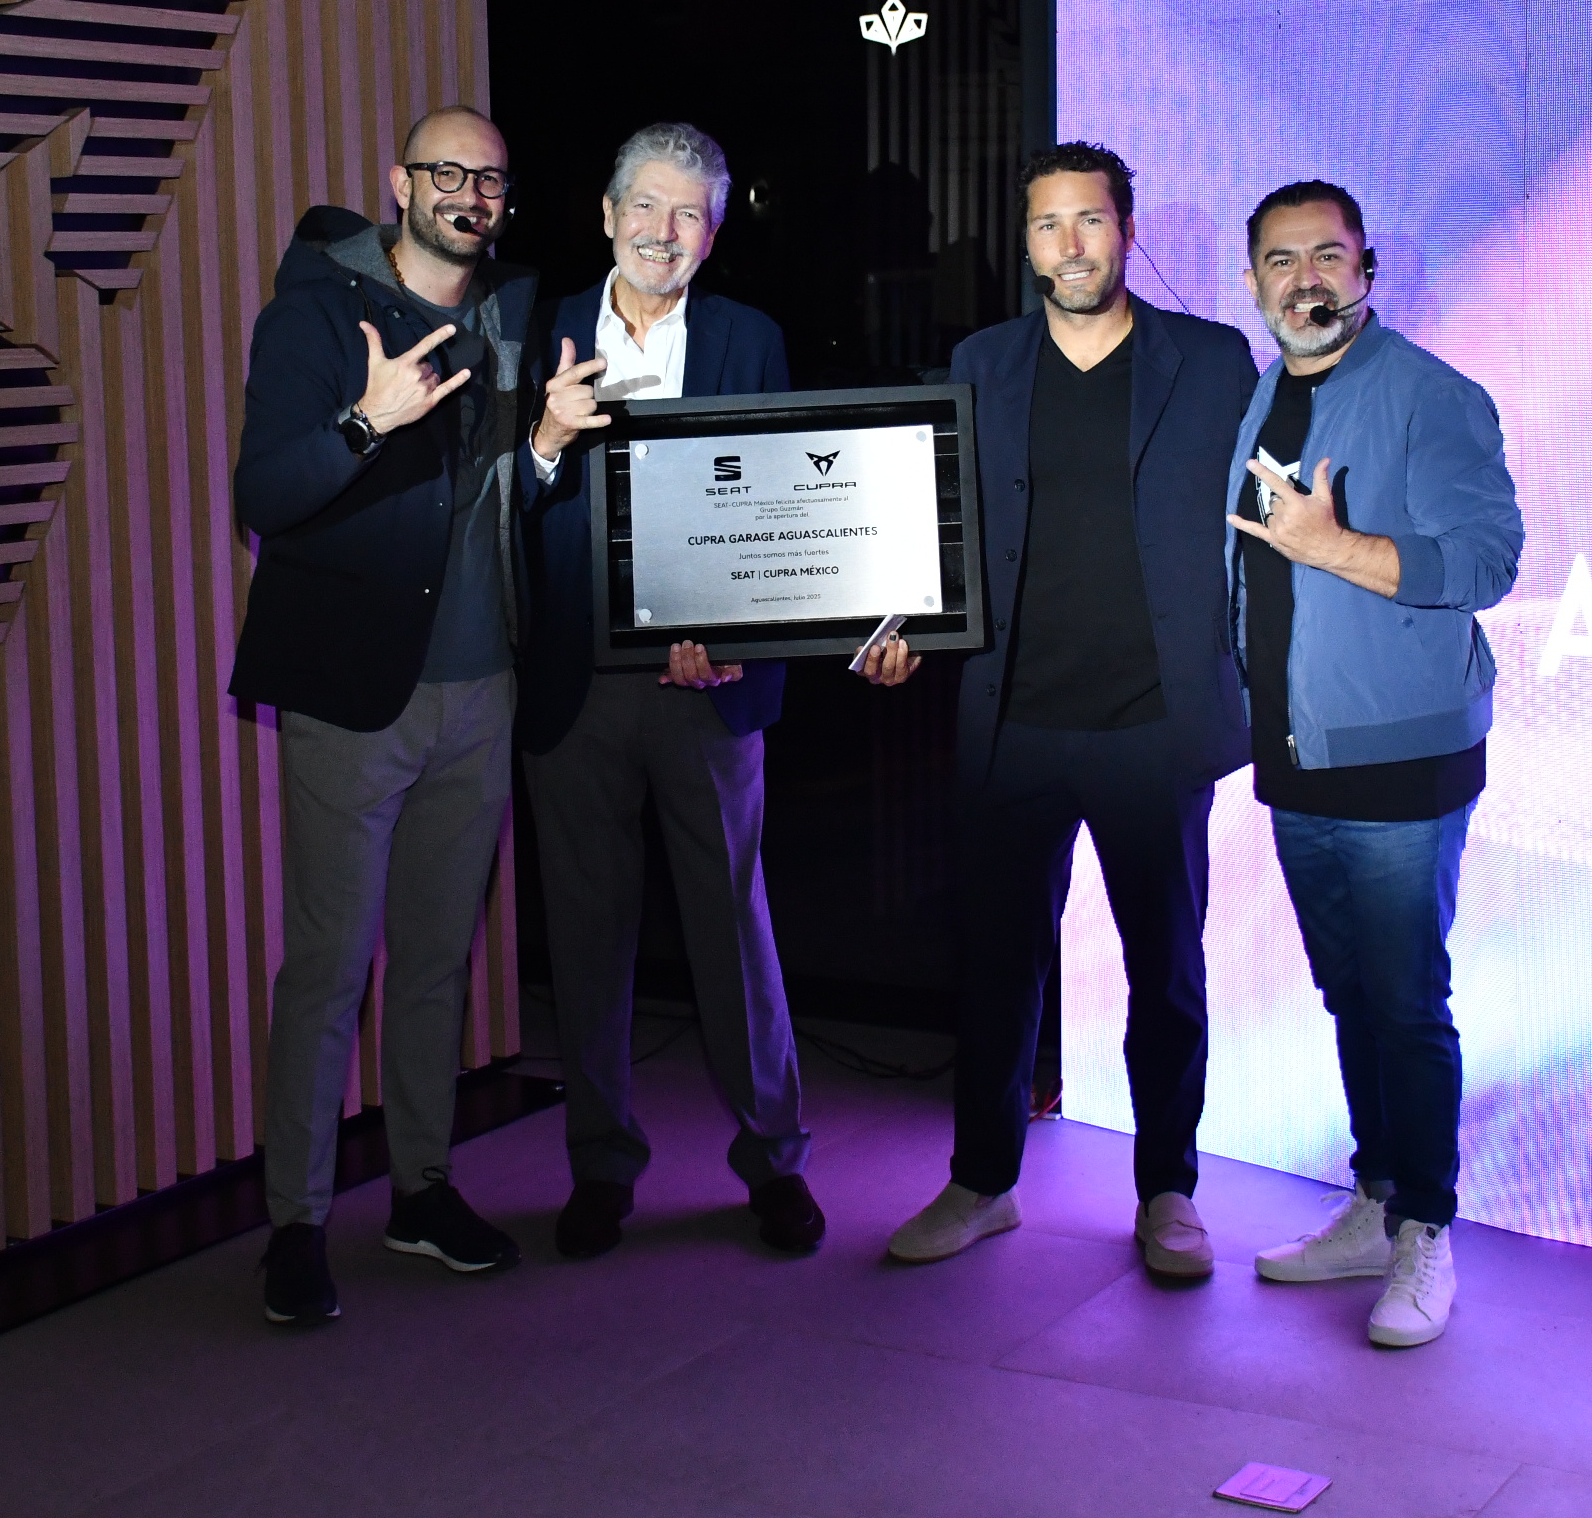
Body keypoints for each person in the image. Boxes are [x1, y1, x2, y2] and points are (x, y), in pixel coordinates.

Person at [863, 142, 1255, 1279]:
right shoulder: (982, 362)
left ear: (1128, 230)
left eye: (1090, 220)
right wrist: (898, 621)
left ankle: (1169, 1190)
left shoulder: (1212, 361)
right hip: (1014, 719)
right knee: (997, 967)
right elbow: (934, 521)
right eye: (1048, 224)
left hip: (1155, 721)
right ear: (1026, 240)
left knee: (1165, 972)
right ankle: (982, 1183)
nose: (1070, 245)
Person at [229, 104, 537, 1325]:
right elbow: (264, 492)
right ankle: (296, 1223)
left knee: (437, 961)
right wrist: (370, 420)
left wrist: (547, 447)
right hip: (356, 696)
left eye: (490, 178)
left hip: (483, 688)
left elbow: (517, 492)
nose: (469, 192)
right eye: (445, 171)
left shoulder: (514, 317)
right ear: (398, 184)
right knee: (328, 965)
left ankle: (421, 1188)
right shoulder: (315, 315)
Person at [516, 122, 825, 1260]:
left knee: (733, 927)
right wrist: (545, 439)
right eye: (643, 205)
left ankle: (775, 1160)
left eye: (687, 211)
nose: (662, 230)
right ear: (606, 215)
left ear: (713, 231)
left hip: (708, 687)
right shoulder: (534, 327)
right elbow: (501, 502)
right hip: (573, 683)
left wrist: (739, 634)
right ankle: (600, 1167)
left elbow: (785, 507)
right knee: (587, 938)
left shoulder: (750, 337)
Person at [1225, 180, 1522, 1348]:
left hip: (1405, 760)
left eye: (1328, 256)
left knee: (1405, 1000)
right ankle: (1377, 1197)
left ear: (1367, 270)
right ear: (1253, 282)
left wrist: (1336, 546)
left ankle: (1428, 1227)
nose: (1306, 278)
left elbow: (1488, 559)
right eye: (1281, 259)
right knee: (1350, 992)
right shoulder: (1265, 393)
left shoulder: (1434, 395)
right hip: (1297, 754)